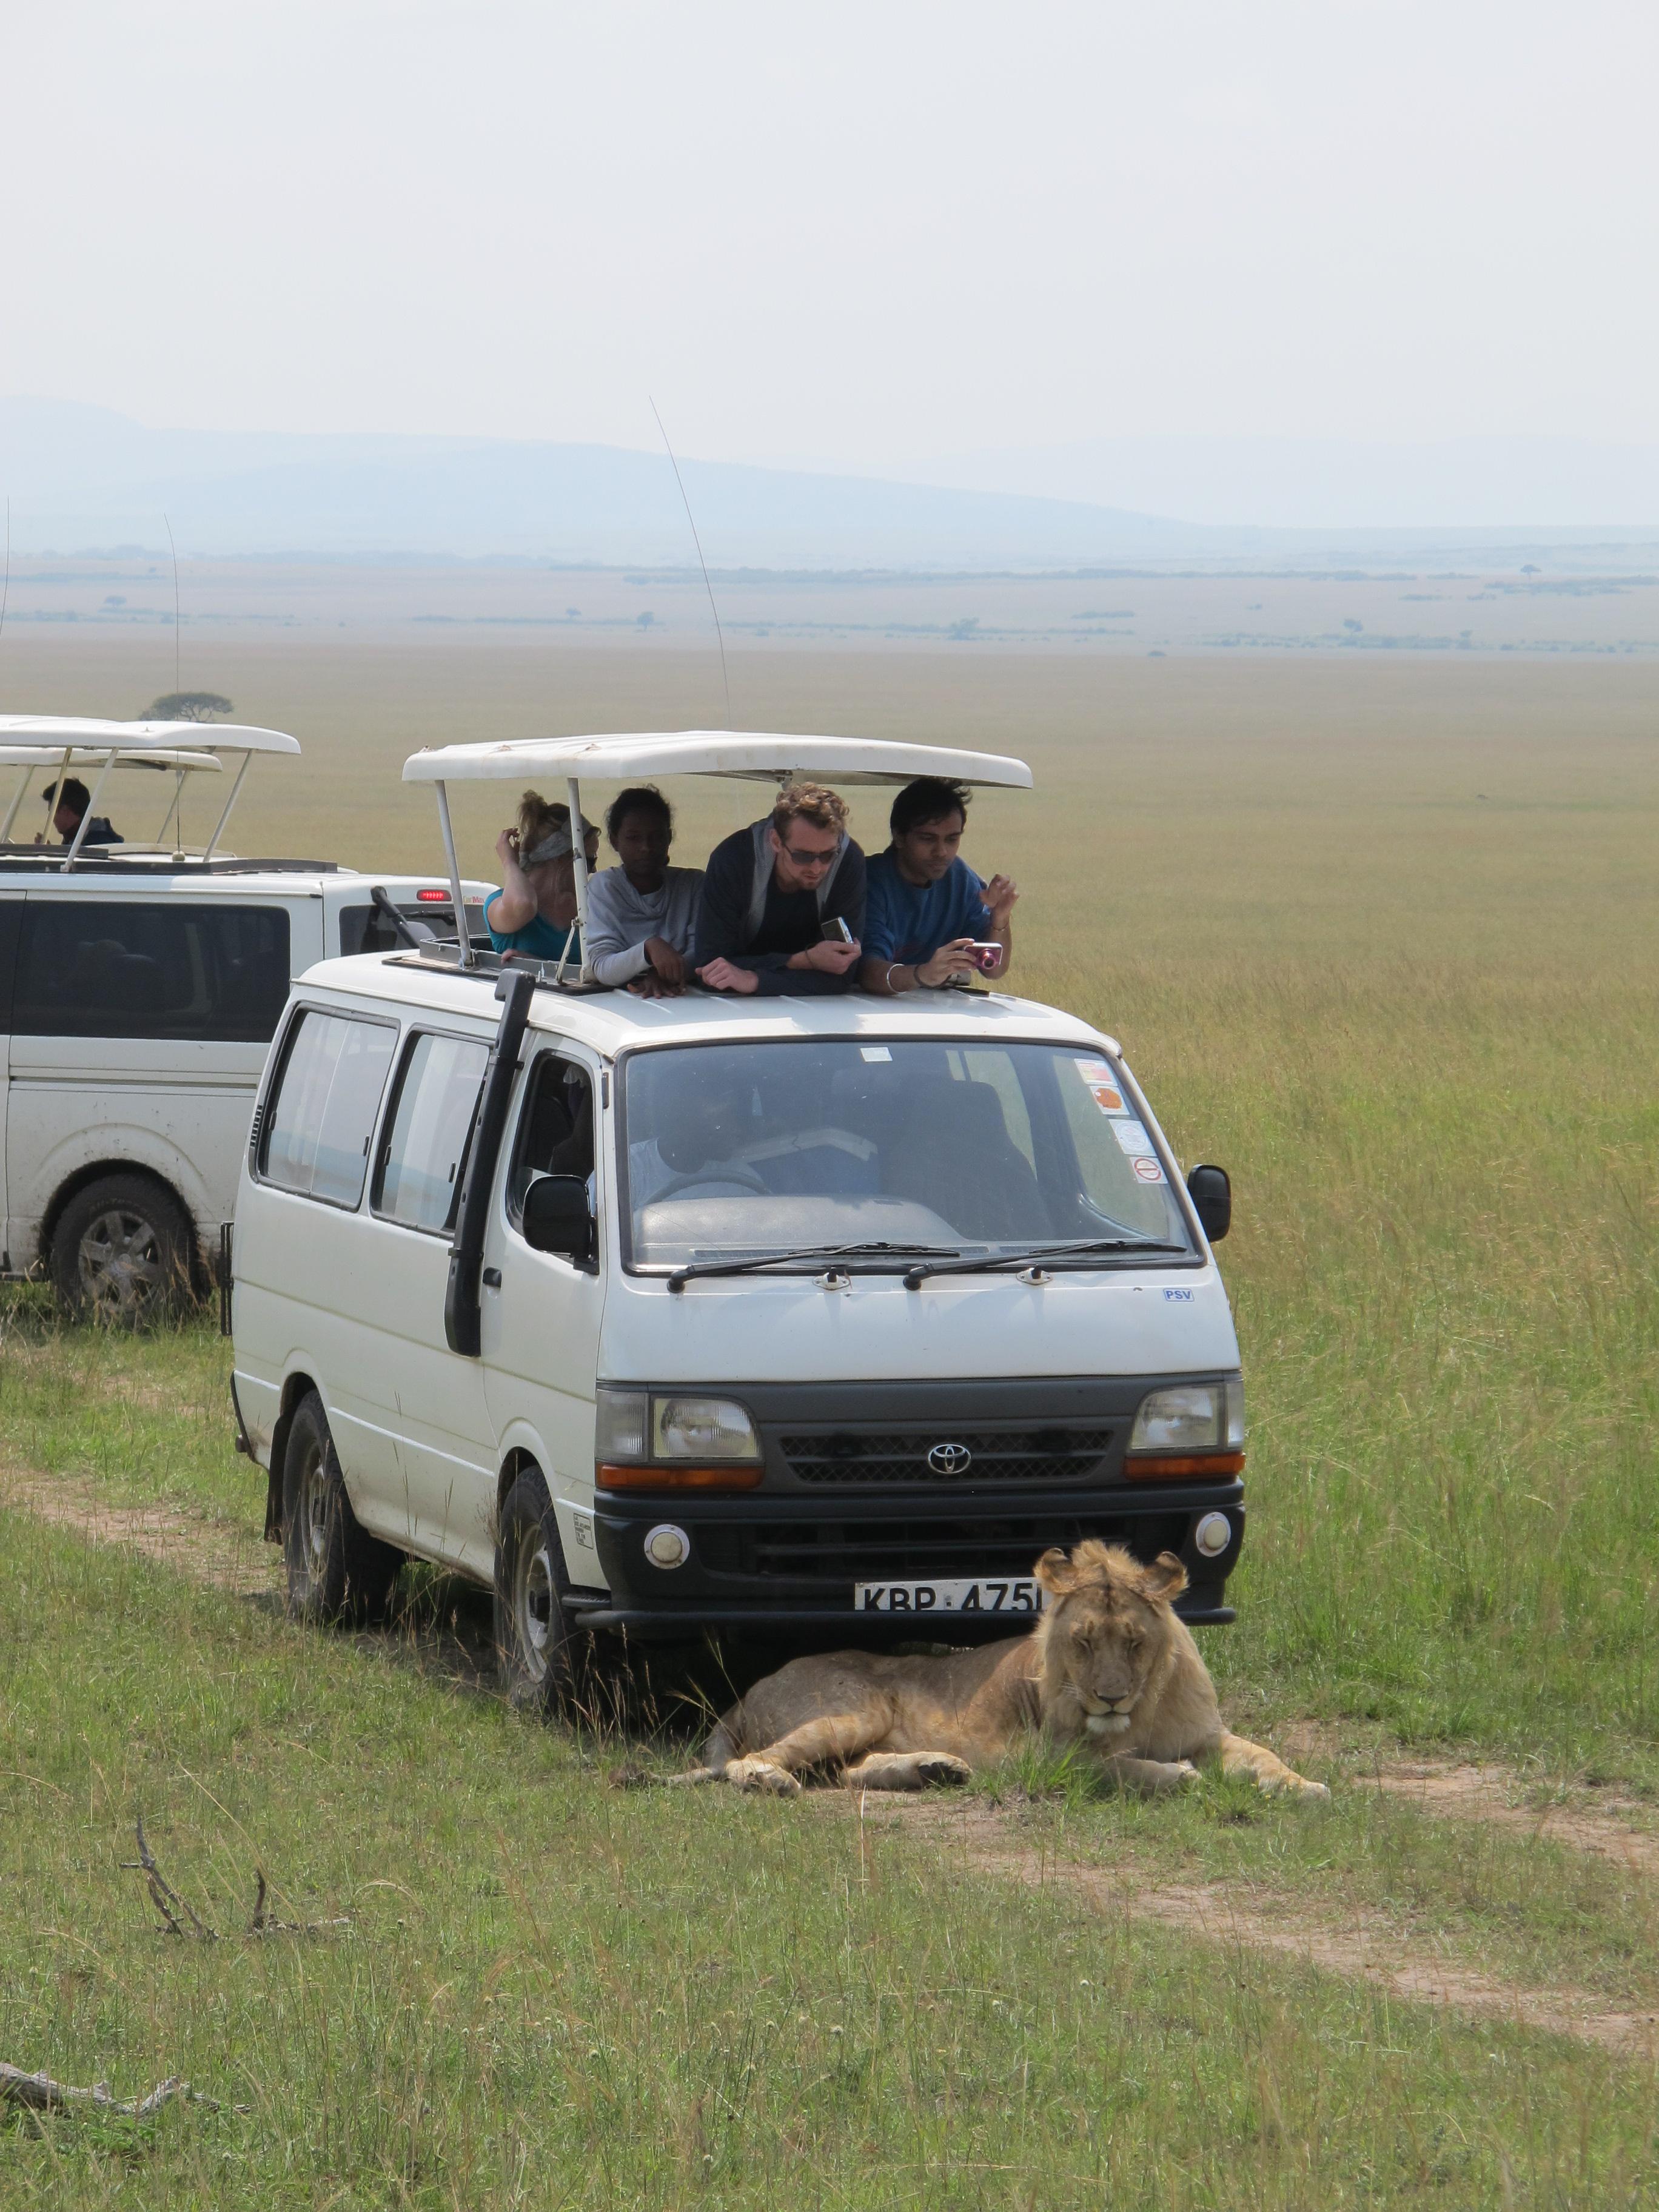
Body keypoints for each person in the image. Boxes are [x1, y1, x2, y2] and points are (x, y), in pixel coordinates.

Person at [692, 782, 865, 996]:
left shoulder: (848, 860)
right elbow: (708, 969)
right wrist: (804, 961)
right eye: (803, 856)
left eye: (828, 855)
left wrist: (754, 980)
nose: (817, 868)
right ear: (775, 841)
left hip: (819, 1011)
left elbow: (842, 974)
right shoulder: (734, 860)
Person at [858, 776, 1017, 995]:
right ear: (899, 837)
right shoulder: (870, 882)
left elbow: (994, 970)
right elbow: (868, 972)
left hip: (934, 1008)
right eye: (928, 839)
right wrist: (922, 975)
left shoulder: (961, 879)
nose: (941, 852)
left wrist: (999, 919)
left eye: (951, 840)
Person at [583, 785, 703, 994]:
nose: (646, 847)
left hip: (691, 1000)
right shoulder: (604, 886)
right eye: (633, 838)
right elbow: (602, 966)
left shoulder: (693, 884)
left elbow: (705, 954)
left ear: (669, 838)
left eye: (656, 837)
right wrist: (649, 950)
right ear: (614, 840)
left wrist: (661, 974)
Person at [485, 791, 598, 962]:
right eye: (589, 861)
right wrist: (509, 862)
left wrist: (537, 963)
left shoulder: (588, 903)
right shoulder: (499, 903)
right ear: (561, 858)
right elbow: (523, 904)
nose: (595, 870)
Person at [36, 777, 122, 848]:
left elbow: (81, 867)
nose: (52, 819)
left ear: (65, 811)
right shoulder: (76, 837)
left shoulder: (98, 844)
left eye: (52, 812)